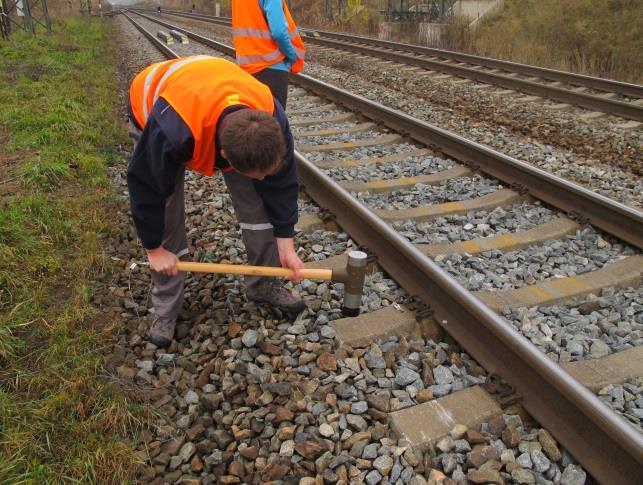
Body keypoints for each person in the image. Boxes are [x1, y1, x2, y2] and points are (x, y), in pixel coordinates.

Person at [127, 56, 306, 348]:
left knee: (258, 198)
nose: (262, 179)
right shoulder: (171, 131)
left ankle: (264, 281)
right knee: (167, 211)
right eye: (255, 174)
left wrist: (285, 241)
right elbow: (145, 187)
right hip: (153, 105)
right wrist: (154, 249)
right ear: (225, 157)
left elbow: (282, 182)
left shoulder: (272, 115)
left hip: (214, 93)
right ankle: (165, 309)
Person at [232, 0, 306, 108]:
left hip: (247, 67)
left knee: (256, 120)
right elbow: (279, 32)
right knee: (273, 121)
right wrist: (292, 54)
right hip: (272, 67)